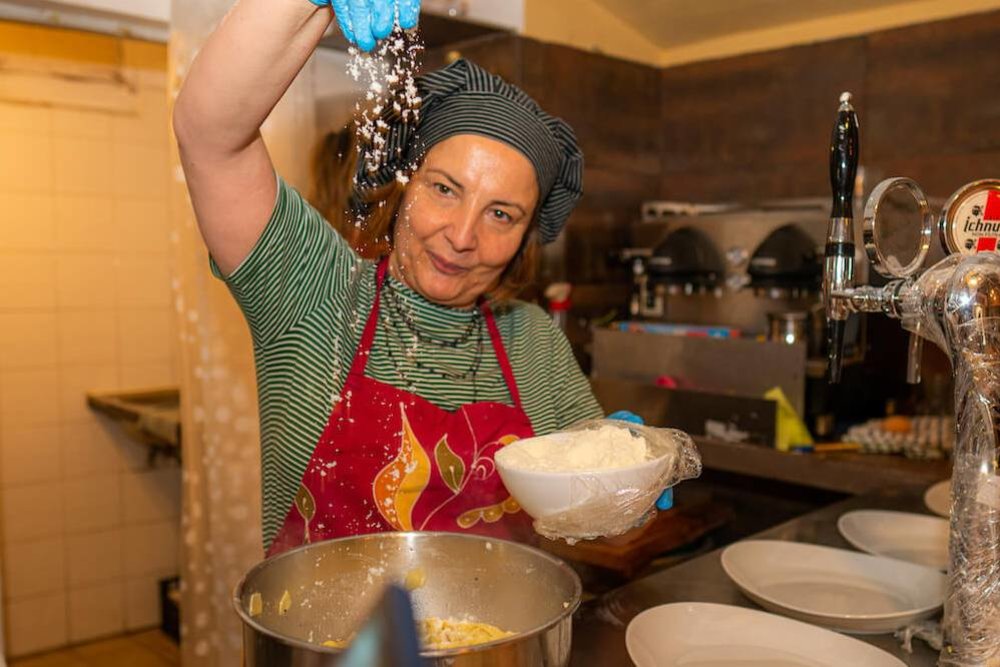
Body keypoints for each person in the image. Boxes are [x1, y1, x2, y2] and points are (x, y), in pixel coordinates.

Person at [174, 0, 663, 556]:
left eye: (501, 214)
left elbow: (609, 532)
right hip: (327, 640)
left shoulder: (535, 341)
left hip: (498, 640)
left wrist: (630, 489)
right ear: (403, 187)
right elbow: (209, 134)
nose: (462, 236)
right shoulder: (315, 293)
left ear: (527, 237)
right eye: (444, 189)